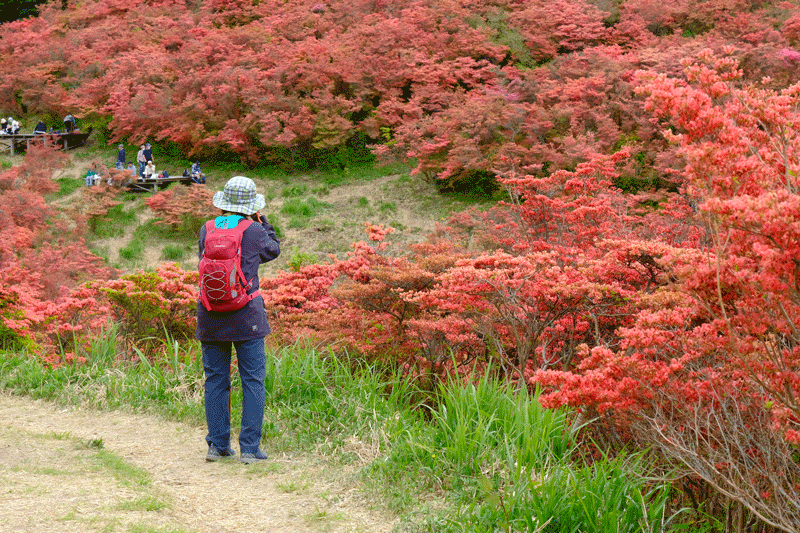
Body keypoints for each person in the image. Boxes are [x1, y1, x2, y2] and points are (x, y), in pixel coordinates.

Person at [197, 176, 280, 464]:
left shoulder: (206, 228)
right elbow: (273, 250)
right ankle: (249, 449)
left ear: (224, 203)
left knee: (216, 379)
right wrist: (263, 221)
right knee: (253, 381)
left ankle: (217, 446)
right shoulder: (254, 230)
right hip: (247, 315)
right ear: (250, 206)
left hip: (210, 313)